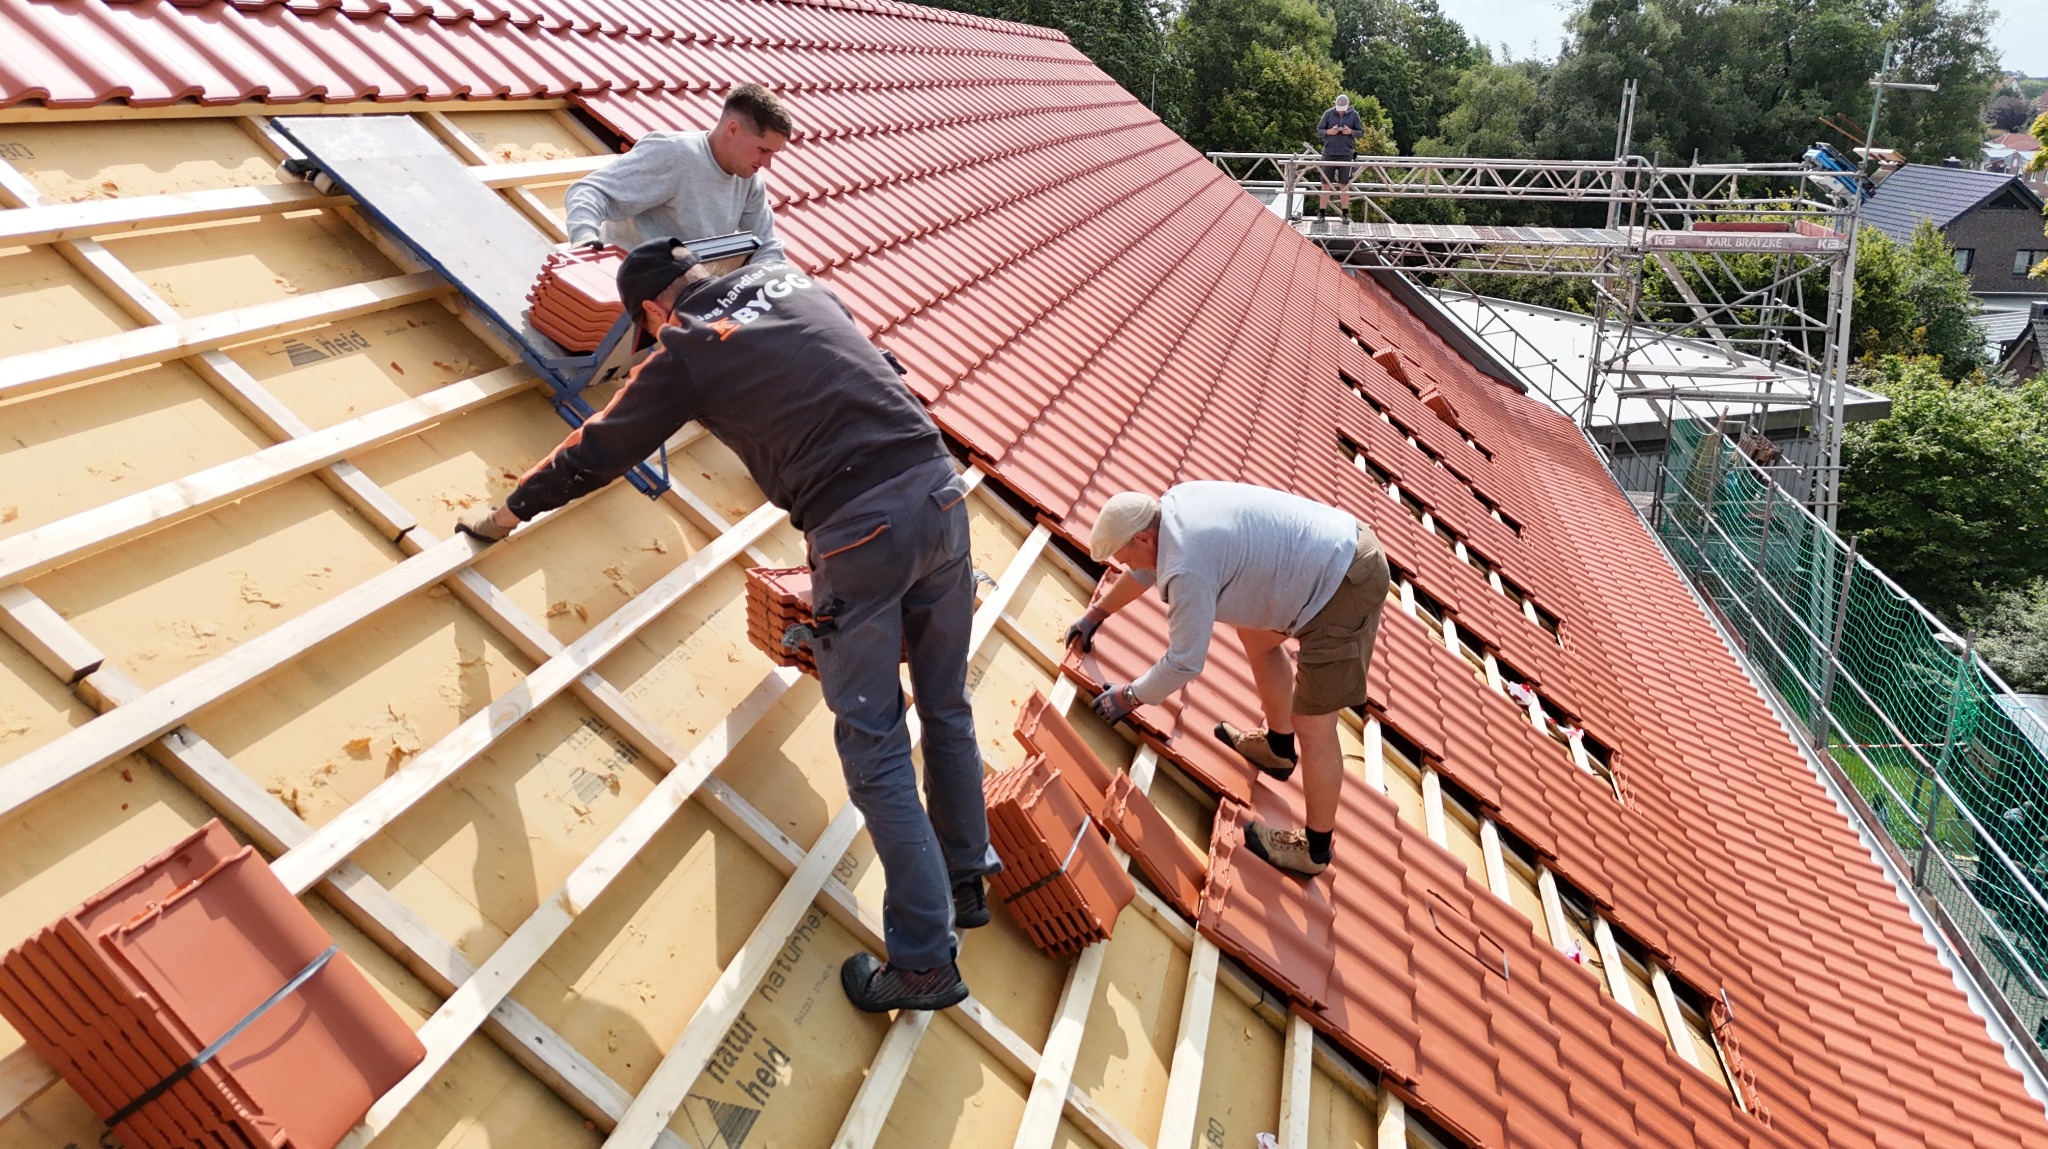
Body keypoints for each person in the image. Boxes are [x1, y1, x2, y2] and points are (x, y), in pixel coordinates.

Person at [458, 238, 998, 1013]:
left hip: (861, 529)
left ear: (653, 310)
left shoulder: (686, 348)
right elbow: (869, 365)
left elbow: (601, 447)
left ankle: (924, 961)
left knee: (873, 743)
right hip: (938, 490)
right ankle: (965, 873)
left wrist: (510, 512)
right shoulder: (791, 279)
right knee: (945, 701)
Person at [1065, 483, 1389, 877]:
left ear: (1143, 537)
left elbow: (1185, 662)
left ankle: (1314, 849)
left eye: (1125, 555)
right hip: (1325, 553)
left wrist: (1129, 696)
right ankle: (1278, 748)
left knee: (1314, 723)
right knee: (1255, 636)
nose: (1128, 565)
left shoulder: (1187, 564)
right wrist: (1096, 615)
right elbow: (1143, 570)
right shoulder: (1172, 508)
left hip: (1345, 583)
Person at [564, 83, 791, 265]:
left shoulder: (749, 181)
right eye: (763, 150)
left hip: (680, 293)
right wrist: (585, 242)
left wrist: (775, 283)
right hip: (621, 286)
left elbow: (765, 246)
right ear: (733, 129)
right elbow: (589, 192)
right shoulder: (674, 155)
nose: (767, 163)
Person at [1315, 93, 1366, 219]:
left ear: (1348, 106)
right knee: (1325, 184)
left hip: (1346, 154)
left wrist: (1350, 132)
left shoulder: (1354, 115)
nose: (1341, 111)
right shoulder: (1328, 114)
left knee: (1345, 184)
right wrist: (1329, 131)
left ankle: (1345, 213)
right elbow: (1319, 131)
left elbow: (1361, 133)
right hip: (1329, 153)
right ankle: (1321, 213)